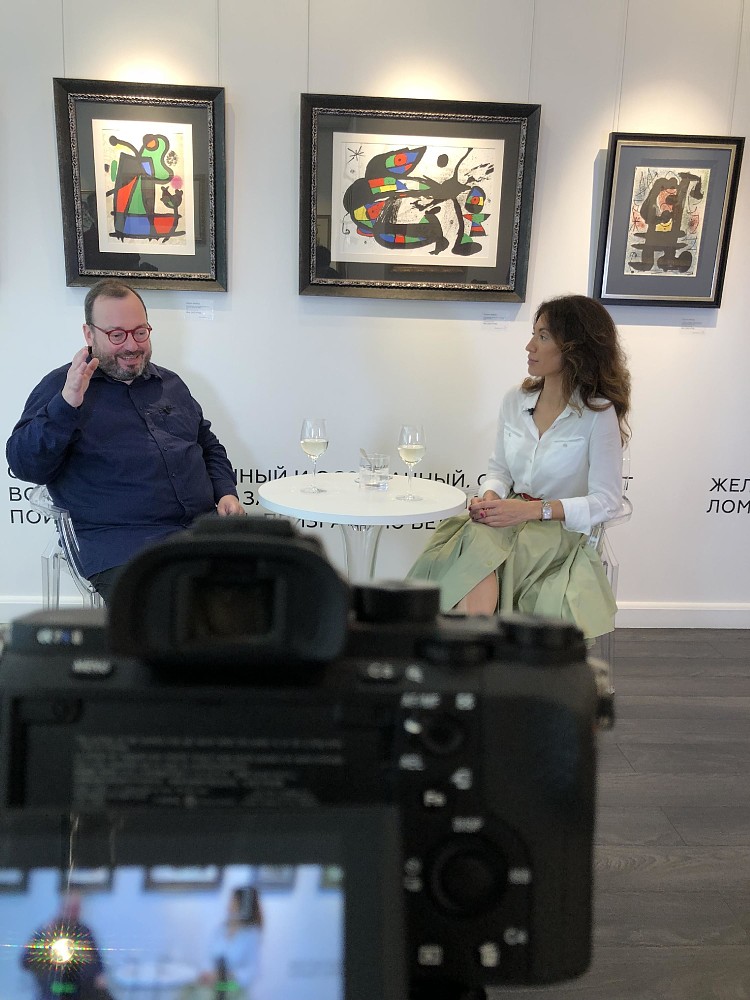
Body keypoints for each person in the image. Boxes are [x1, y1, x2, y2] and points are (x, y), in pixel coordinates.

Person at [6, 279, 244, 603]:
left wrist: (226, 492)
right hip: (122, 546)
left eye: (140, 332)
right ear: (89, 334)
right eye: (117, 335)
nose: (132, 345)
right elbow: (25, 466)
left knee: (275, 594)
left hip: (202, 533)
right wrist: (67, 404)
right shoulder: (62, 387)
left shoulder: (171, 383)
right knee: (184, 615)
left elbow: (207, 444)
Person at [408, 294, 631, 640]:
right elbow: (498, 470)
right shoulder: (515, 400)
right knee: (476, 534)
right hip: (507, 516)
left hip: (556, 531)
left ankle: (463, 644)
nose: (530, 346)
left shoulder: (597, 413)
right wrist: (490, 498)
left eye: (543, 336)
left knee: (476, 547)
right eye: (533, 334)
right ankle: (475, 643)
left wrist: (531, 511)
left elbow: (606, 501)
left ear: (574, 348)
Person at [21, 892, 109, 1000]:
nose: (73, 912)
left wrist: (100, 976)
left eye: (76, 908)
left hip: (83, 991)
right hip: (54, 989)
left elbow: (97, 962)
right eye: (70, 908)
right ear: (62, 908)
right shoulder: (47, 930)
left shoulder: (85, 931)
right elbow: (25, 962)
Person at [196, 887, 263, 999]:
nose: (230, 905)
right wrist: (209, 974)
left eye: (234, 902)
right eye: (231, 901)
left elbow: (251, 972)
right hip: (214, 983)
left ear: (243, 906)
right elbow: (207, 957)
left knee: (211, 993)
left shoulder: (251, 935)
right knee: (192, 990)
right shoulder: (220, 930)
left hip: (234, 986)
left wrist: (227, 976)